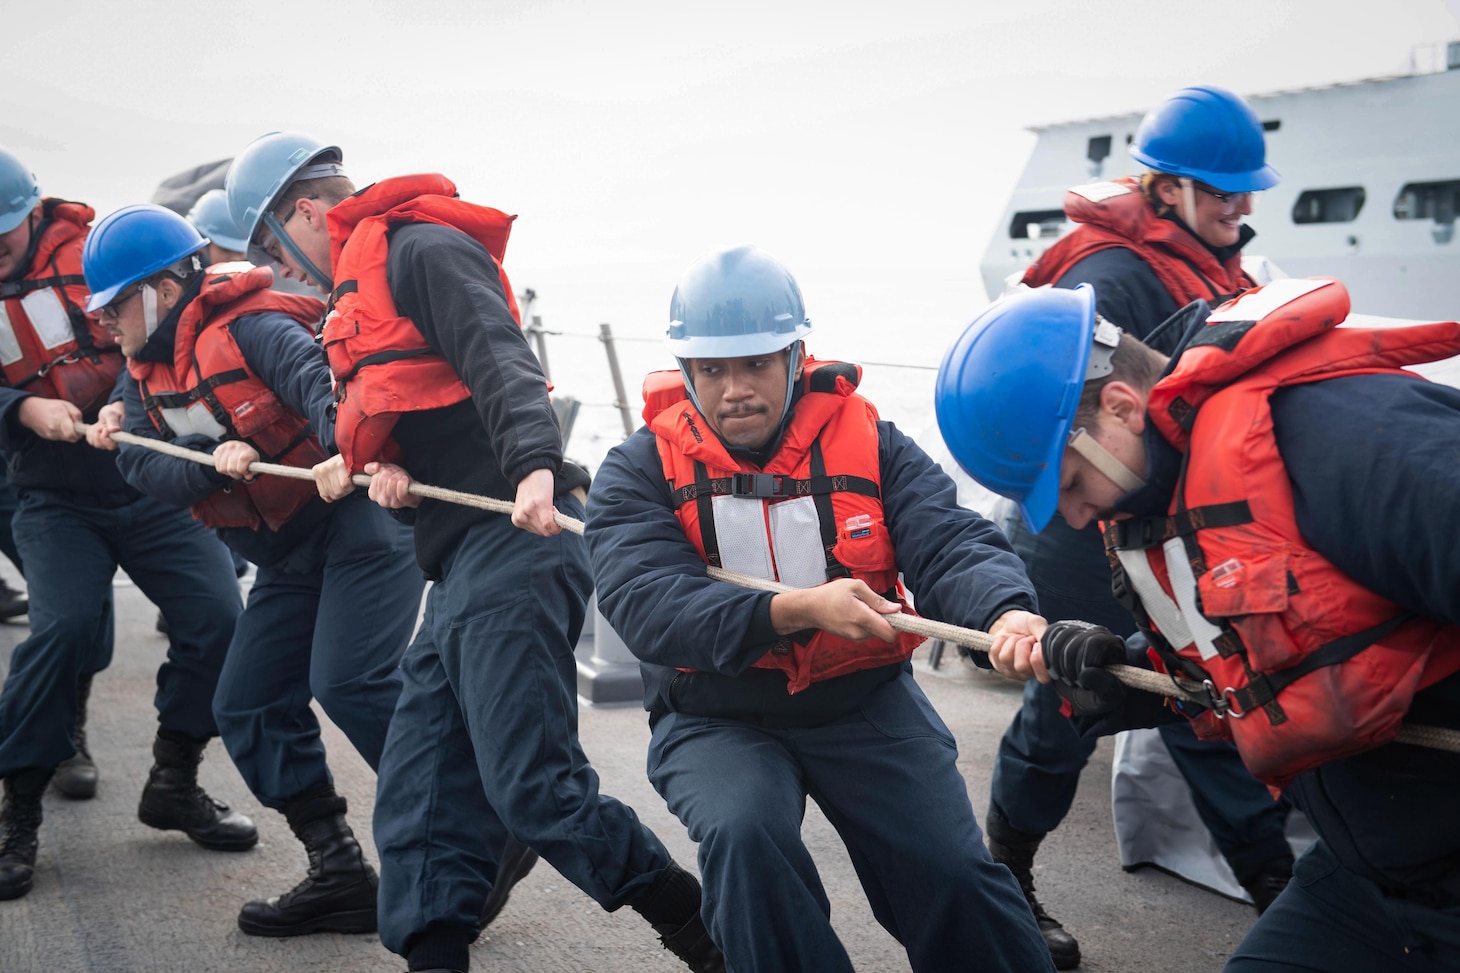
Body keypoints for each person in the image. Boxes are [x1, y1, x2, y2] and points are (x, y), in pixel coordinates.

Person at [225, 131, 723, 973]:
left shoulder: (417, 245)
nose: (288, 278)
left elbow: (498, 353)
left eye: (276, 254)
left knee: (536, 788)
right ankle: (434, 954)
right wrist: (389, 464)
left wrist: (534, 464)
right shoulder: (360, 284)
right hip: (456, 561)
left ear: (306, 211)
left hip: (516, 538)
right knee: (418, 788)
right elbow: (416, 398)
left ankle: (700, 930)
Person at [936, 279, 1460, 972]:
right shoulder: (1165, 499)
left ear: (1120, 407)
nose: (1073, 519)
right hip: (1369, 876)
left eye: (1066, 485)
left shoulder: (1344, 436)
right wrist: (1115, 681)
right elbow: (1238, 667)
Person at [584, 244, 1057, 973]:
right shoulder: (636, 470)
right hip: (715, 714)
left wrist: (1005, 613)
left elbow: (949, 539)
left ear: (797, 356)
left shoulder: (875, 444)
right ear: (685, 372)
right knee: (743, 837)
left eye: (756, 364)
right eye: (713, 370)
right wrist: (799, 610)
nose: (735, 388)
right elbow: (643, 601)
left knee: (953, 869)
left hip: (864, 699)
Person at [983, 85, 1294, 966]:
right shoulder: (1111, 278)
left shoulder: (1207, 259)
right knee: (1064, 711)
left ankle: (1280, 895)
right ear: (1167, 193)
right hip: (1090, 541)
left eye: (1246, 190)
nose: (1241, 206)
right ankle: (1008, 879)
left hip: (1172, 536)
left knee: (1206, 705)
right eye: (1223, 190)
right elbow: (1102, 428)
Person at [82, 203, 426, 936]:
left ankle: (477, 828)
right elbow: (146, 464)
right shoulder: (140, 377)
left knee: (351, 681)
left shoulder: (253, 327)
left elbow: (321, 389)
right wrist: (214, 466)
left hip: (354, 520)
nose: (105, 324)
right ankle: (339, 871)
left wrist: (341, 449)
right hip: (286, 551)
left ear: (164, 290)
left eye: (114, 306)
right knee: (248, 702)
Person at [0, 148, 254, 903]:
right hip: (50, 495)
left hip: (145, 480)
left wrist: (128, 401)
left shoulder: (93, 251)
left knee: (218, 618)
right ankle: (17, 814)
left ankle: (174, 777)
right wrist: (20, 409)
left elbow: (171, 334)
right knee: (67, 628)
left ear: (33, 213)